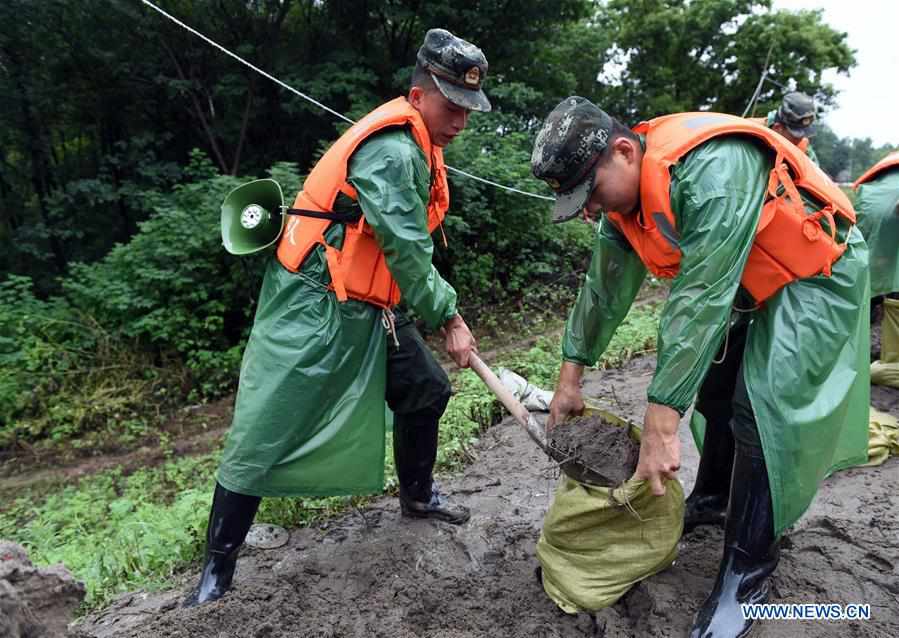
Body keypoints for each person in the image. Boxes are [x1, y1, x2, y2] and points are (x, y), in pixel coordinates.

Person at [532, 97, 869, 637]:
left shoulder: (714, 170)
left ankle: (748, 575)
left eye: (589, 193)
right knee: (715, 388)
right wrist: (569, 378)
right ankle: (713, 495)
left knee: (762, 408)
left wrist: (660, 425)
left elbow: (701, 299)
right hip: (751, 284)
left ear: (623, 151)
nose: (589, 211)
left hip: (817, 274)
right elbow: (603, 288)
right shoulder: (625, 204)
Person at [183, 28, 490, 607]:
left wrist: (429, 309)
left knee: (425, 388)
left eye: (469, 109)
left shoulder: (424, 143)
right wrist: (449, 317)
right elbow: (405, 244)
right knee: (265, 426)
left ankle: (418, 497)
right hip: (314, 300)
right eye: (453, 107)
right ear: (420, 95)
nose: (461, 121)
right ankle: (216, 572)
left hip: (370, 304)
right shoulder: (395, 148)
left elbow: (396, 250)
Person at [854, 151, 899, 299]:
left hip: (869, 209)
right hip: (882, 213)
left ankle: (873, 303)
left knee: (872, 261)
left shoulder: (871, 187)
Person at [755, 91, 820, 164]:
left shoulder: (806, 152)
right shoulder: (749, 132)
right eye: (796, 135)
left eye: (804, 133)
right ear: (777, 128)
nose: (800, 139)